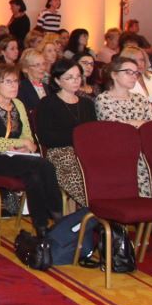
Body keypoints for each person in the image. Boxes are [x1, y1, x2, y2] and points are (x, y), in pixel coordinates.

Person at [0, 63, 62, 236]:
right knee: (45, 165)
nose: (14, 86)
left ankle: (41, 228)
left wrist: (25, 146)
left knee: (34, 177)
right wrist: (20, 143)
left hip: (17, 157)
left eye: (16, 81)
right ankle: (58, 217)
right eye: (8, 82)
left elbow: (27, 135)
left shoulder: (18, 104)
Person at [95, 55, 152, 197]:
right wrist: (141, 124)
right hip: (120, 150)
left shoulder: (140, 99)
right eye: (128, 72)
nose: (134, 76)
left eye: (136, 73)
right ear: (114, 75)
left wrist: (134, 124)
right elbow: (117, 129)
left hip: (145, 147)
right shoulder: (104, 99)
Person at [35, 60, 96, 208]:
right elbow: (46, 137)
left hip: (86, 151)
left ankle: (102, 207)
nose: (75, 81)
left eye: (78, 76)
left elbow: (94, 132)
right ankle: (95, 208)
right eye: (69, 77)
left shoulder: (87, 103)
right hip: (60, 153)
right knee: (72, 164)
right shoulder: (48, 103)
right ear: (58, 80)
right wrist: (78, 137)